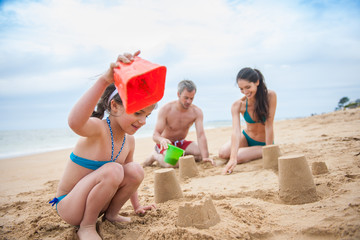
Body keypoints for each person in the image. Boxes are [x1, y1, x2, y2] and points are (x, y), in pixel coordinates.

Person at [49, 51, 156, 240]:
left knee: (135, 170)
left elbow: (131, 180)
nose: (143, 121)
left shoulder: (128, 140)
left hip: (98, 203)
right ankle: (87, 226)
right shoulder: (98, 129)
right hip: (69, 205)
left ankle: (111, 215)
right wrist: (104, 80)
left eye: (147, 116)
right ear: (114, 106)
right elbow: (74, 122)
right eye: (138, 113)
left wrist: (136, 206)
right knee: (114, 170)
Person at [219, 67, 277, 174]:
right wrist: (232, 158)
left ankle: (252, 151)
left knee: (239, 156)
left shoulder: (270, 96)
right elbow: (236, 131)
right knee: (223, 153)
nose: (245, 92)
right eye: (241, 89)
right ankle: (241, 153)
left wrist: (270, 151)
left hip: (263, 143)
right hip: (246, 137)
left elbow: (269, 125)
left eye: (248, 87)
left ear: (257, 82)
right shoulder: (238, 105)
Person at [143, 80, 214, 167]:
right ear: (178, 94)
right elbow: (155, 135)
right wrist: (162, 140)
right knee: (172, 164)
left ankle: (178, 157)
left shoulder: (196, 112)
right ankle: (155, 155)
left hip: (181, 143)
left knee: (200, 154)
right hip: (167, 144)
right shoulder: (166, 109)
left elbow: (201, 135)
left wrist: (205, 157)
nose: (189, 101)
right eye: (186, 98)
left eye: (191, 98)